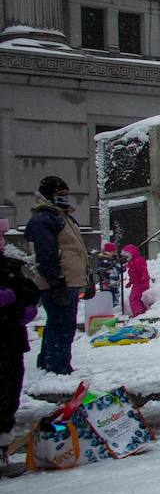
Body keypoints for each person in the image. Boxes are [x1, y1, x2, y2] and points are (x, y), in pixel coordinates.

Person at [24, 176, 88, 375]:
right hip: (59, 282)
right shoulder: (45, 219)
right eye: (61, 194)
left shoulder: (62, 217)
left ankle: (49, 362)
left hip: (68, 279)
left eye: (67, 194)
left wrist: (87, 278)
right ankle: (57, 366)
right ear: (49, 195)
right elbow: (47, 254)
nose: (65, 198)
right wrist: (56, 281)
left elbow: (76, 251)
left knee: (60, 323)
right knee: (62, 324)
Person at [0, 230, 40, 471]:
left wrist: (24, 305)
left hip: (9, 338)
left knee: (8, 391)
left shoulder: (9, 267)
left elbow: (29, 290)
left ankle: (2, 446)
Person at [122, 245, 150, 317]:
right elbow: (133, 274)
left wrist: (145, 277)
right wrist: (130, 282)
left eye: (126, 256)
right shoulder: (131, 262)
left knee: (133, 298)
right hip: (137, 283)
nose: (125, 258)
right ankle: (141, 310)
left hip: (141, 283)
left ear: (131, 254)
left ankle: (138, 313)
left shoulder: (138, 261)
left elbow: (143, 270)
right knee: (135, 297)